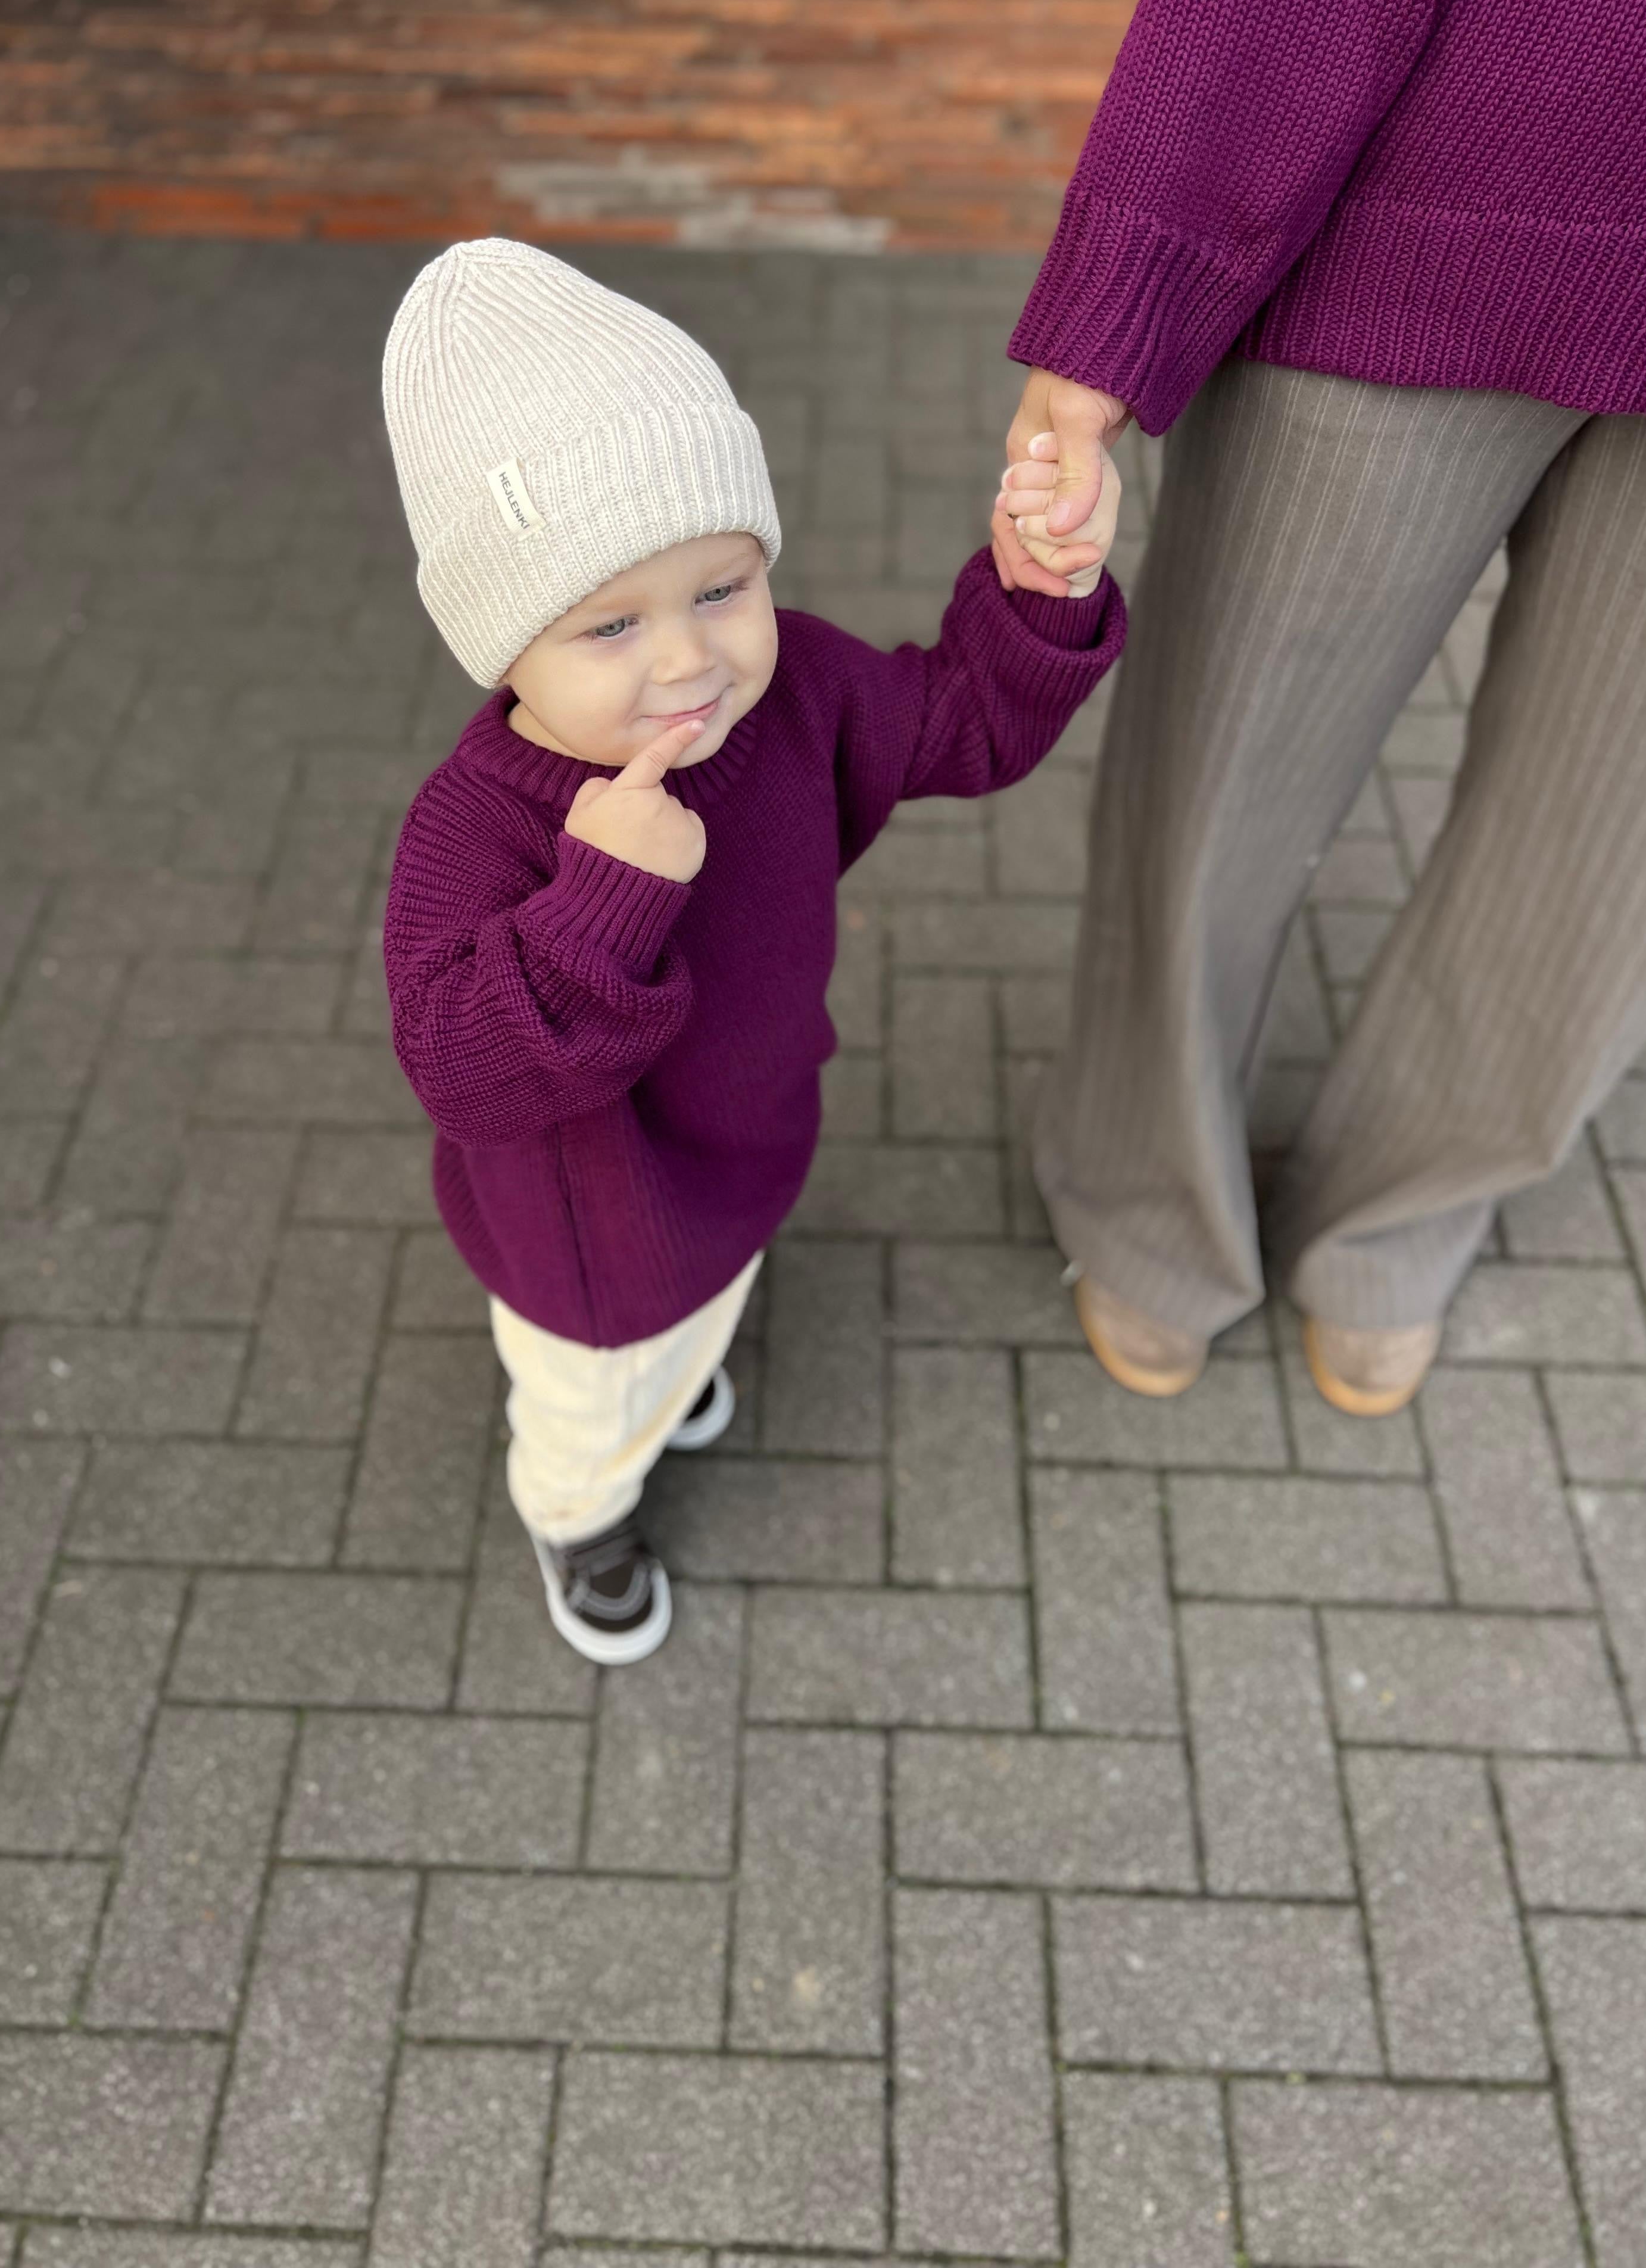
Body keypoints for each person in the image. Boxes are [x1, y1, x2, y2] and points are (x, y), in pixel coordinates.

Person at [991, 0, 1646, 1418]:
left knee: (1630, 851)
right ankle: (1148, 1194)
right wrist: (1126, 299)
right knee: (1224, 767)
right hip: (1422, 212)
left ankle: (1407, 1210)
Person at [381, 241, 1124, 1661]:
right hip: (596, 1239)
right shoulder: (474, 830)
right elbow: (462, 1074)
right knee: (595, 1404)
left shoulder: (792, 703)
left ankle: (681, 1371)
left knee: (709, 1305)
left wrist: (1037, 590)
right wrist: (602, 899)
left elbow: (963, 723)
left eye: (722, 588)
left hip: (746, 1147)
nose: (688, 661)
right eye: (611, 623)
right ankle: (579, 1518)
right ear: (504, 648)